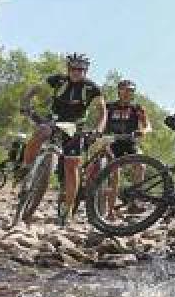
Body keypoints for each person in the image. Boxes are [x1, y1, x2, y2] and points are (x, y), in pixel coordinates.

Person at [19, 52, 104, 222]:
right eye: (73, 68)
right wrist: (26, 102)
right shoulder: (58, 80)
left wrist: (99, 129)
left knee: (71, 167)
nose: (76, 71)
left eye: (81, 69)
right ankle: (26, 166)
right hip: (54, 120)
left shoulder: (91, 88)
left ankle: (68, 209)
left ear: (86, 70)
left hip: (75, 127)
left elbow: (102, 111)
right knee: (42, 131)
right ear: (68, 68)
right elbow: (36, 88)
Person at [91, 78, 152, 220]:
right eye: (125, 90)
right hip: (111, 142)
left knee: (141, 165)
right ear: (119, 91)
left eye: (131, 91)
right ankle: (110, 210)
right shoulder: (109, 107)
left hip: (130, 142)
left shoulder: (137, 108)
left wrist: (143, 131)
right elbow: (99, 122)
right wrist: (98, 135)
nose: (127, 93)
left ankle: (135, 201)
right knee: (114, 172)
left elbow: (148, 126)